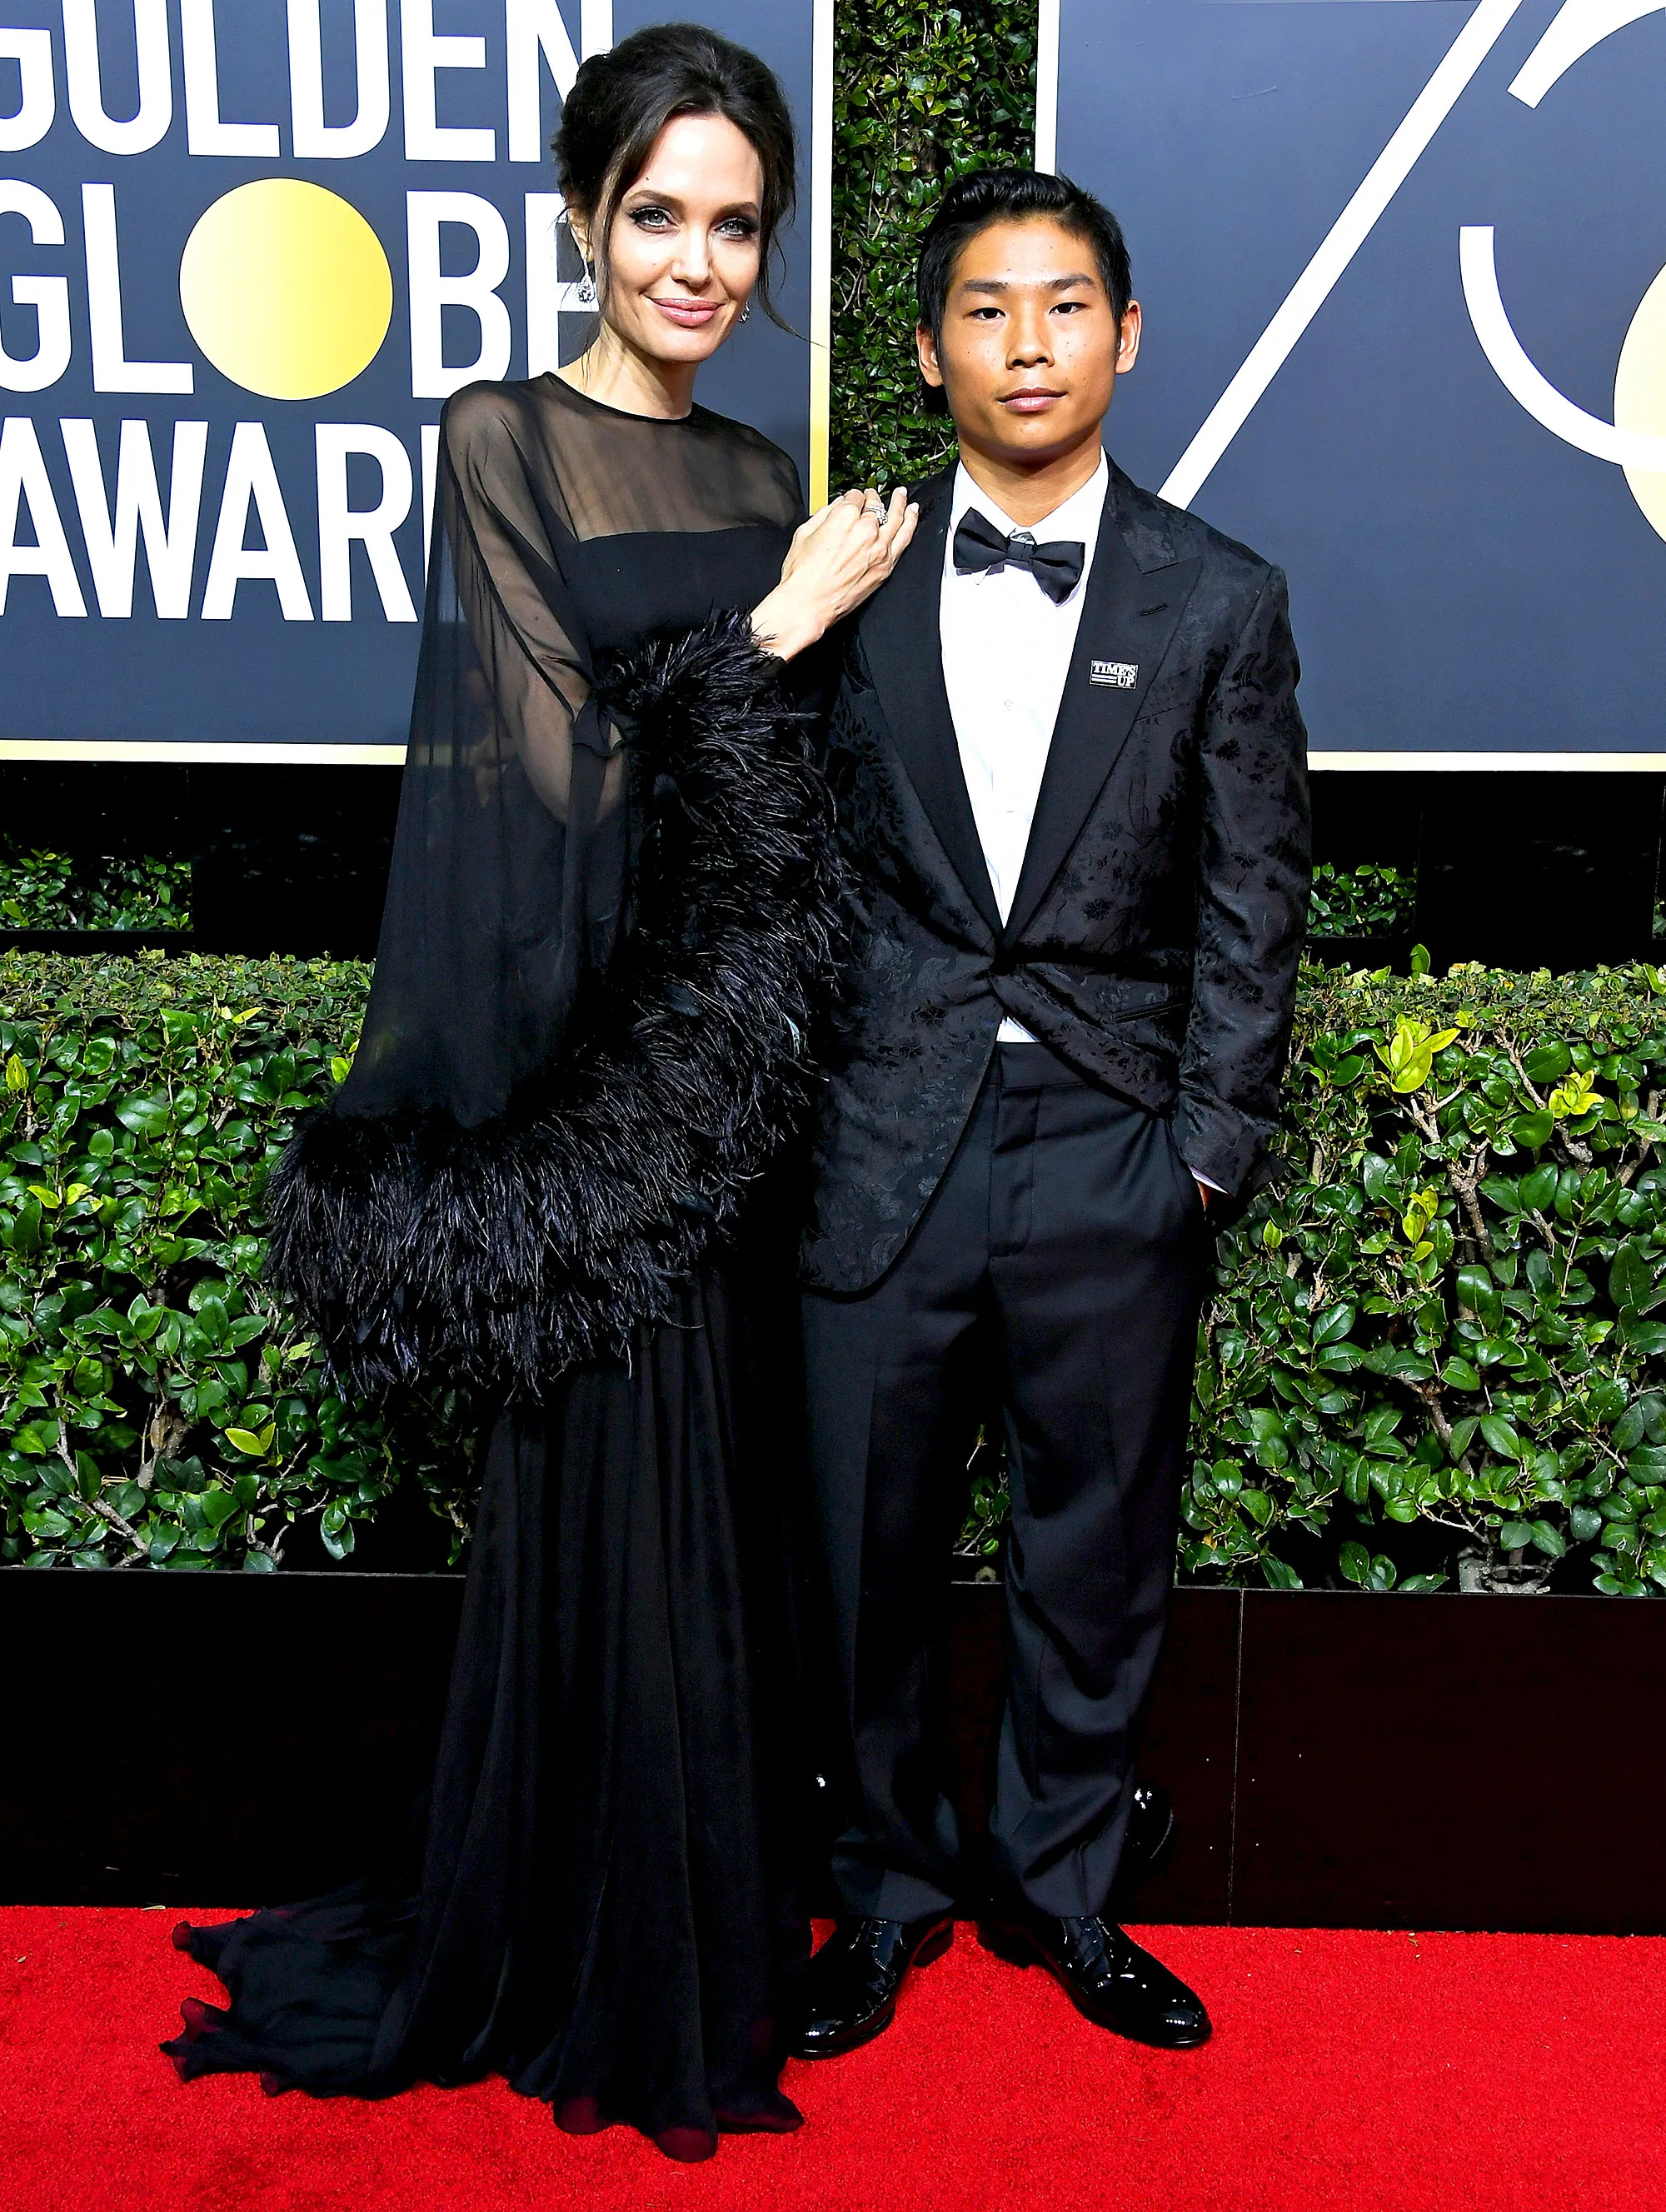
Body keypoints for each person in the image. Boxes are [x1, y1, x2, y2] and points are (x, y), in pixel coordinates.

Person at [161, 26, 916, 2165]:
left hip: (735, 1105)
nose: (697, 260)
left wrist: (781, 651)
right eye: (658, 214)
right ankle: (571, 1941)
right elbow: (548, 789)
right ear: (586, 219)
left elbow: (783, 829)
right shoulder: (503, 437)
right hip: (590, 1127)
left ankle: (692, 1927)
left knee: (731, 1541)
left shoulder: (768, 468)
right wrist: (768, 636)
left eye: (735, 223)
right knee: (608, 1526)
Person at [794, 168, 1309, 2060]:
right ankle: (879, 1893)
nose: (1029, 343)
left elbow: (1257, 902)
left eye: (1066, 305)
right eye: (989, 310)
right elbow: (764, 868)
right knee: (861, 1550)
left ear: (1126, 335)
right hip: (879, 1146)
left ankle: (1068, 1890)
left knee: (1094, 1549)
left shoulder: (1221, 598)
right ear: (928, 348)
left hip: (1110, 1152)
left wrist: (1204, 1150)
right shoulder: (845, 571)